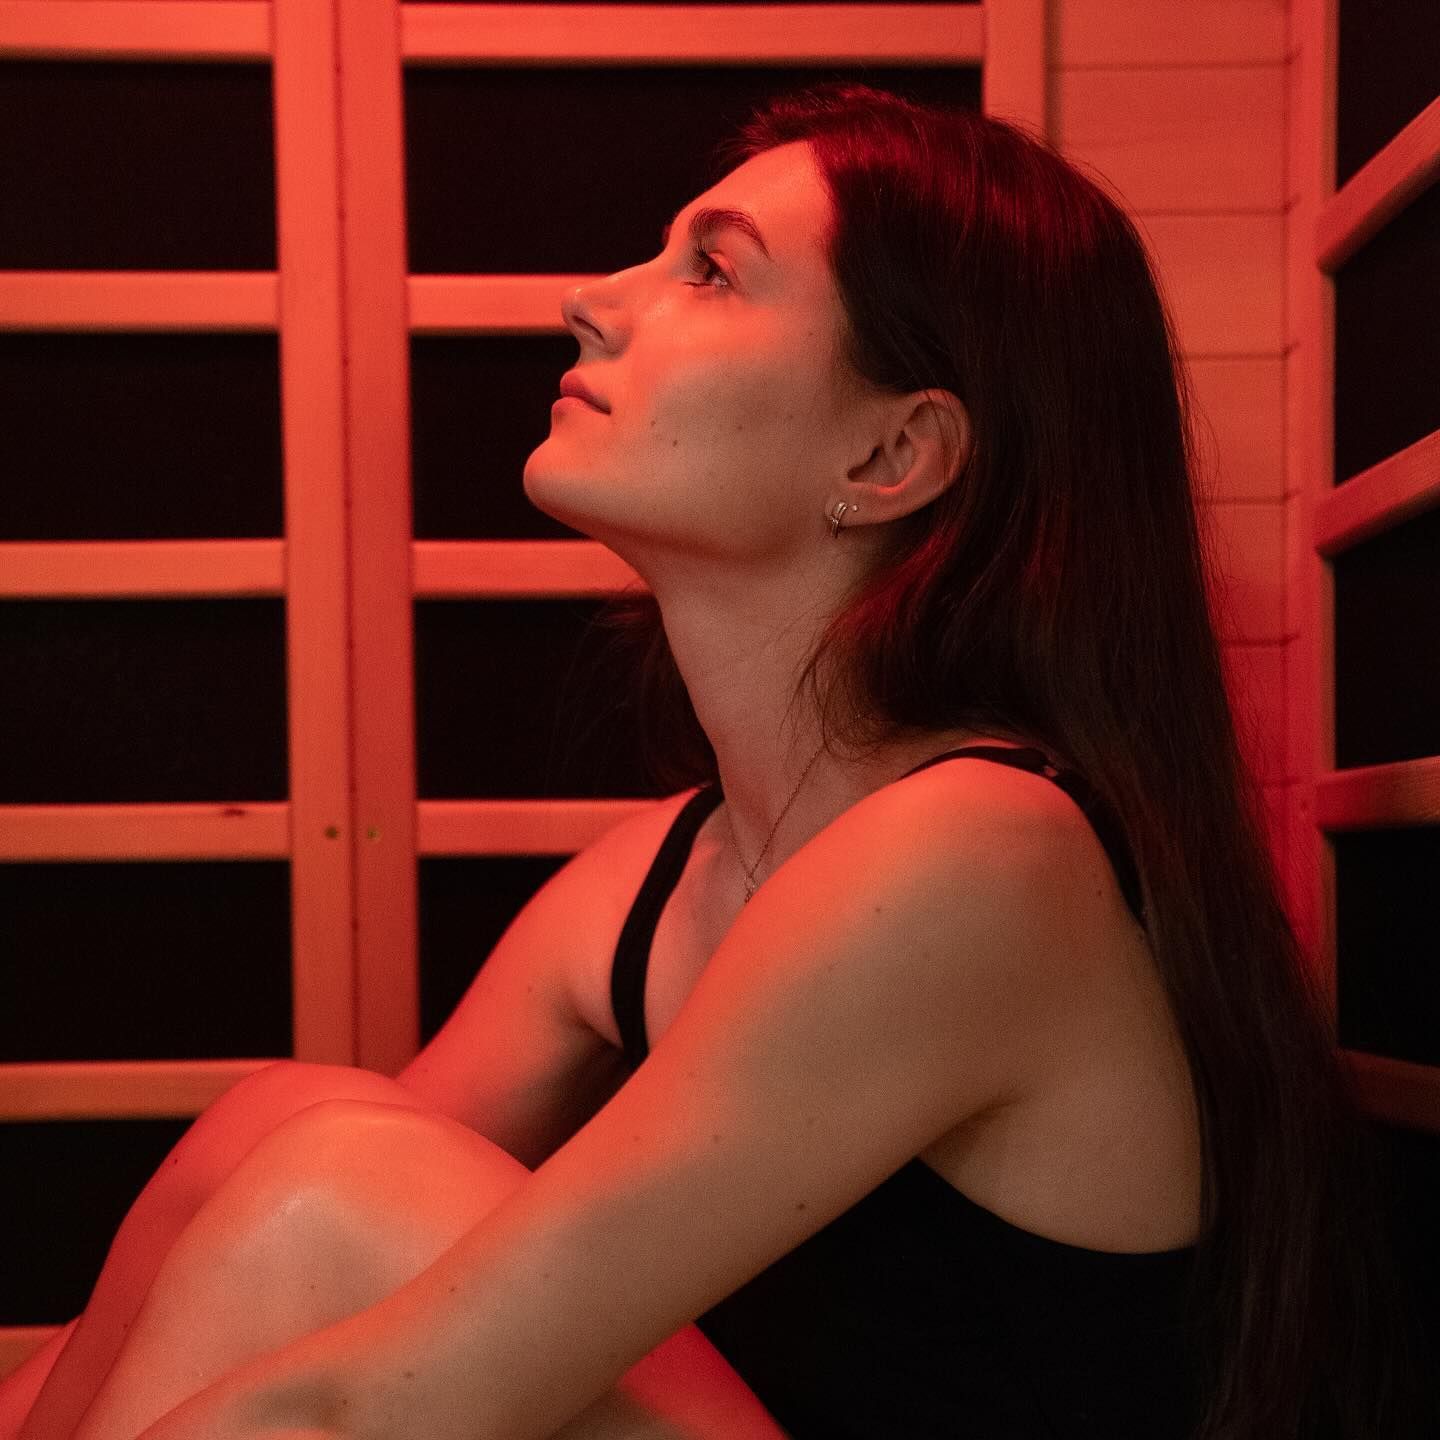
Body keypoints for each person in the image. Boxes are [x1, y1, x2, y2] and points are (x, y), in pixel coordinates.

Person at [1, 81, 1428, 1440]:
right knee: (287, 1125)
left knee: (331, 1188)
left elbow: (374, 1386)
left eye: (712, 272)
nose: (594, 300)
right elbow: (251, 1272)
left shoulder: (984, 857)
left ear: (892, 456)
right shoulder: (657, 880)